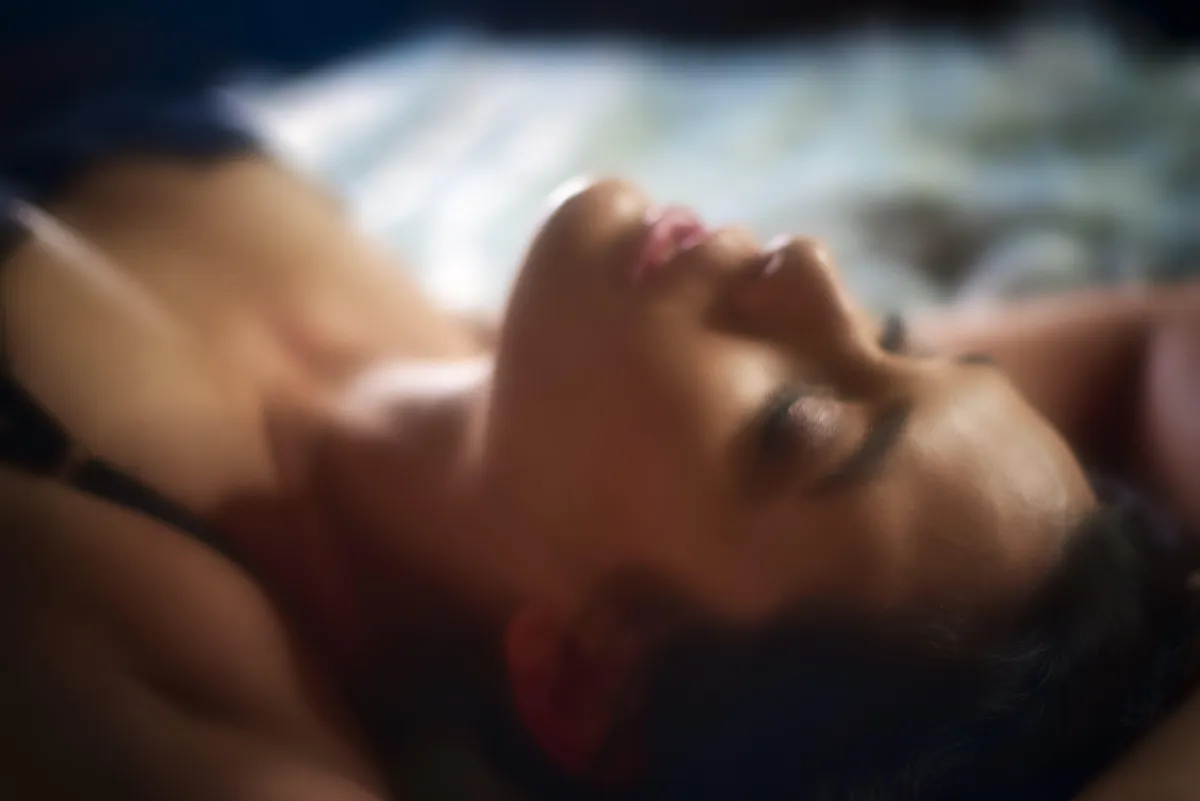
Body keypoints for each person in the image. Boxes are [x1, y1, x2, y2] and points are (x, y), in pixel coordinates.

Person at [3, 88, 1200, 801]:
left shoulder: (166, 675)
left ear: (588, 672)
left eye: (796, 418)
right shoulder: (555, 371)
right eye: (891, 338)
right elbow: (1170, 337)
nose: (812, 274)